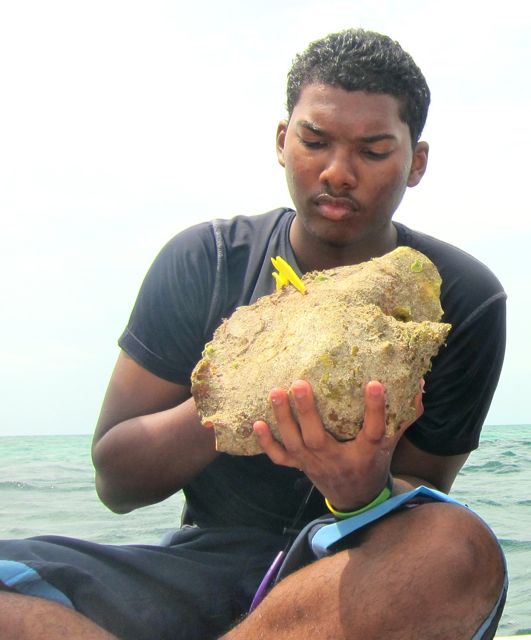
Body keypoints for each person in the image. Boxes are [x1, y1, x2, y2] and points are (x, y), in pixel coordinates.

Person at [0, 28, 507, 640]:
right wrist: (239, 395)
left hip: (346, 572)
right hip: (200, 566)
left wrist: (359, 490)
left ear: (416, 162)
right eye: (314, 142)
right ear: (281, 141)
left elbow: (425, 491)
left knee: (459, 549)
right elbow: (117, 482)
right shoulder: (207, 261)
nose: (338, 172)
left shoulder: (462, 298)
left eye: (373, 152)